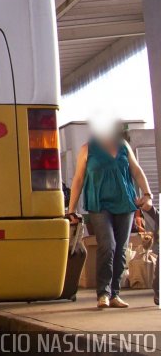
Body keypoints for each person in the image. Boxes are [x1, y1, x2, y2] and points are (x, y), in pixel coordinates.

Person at [67, 116, 154, 309]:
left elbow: (137, 171)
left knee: (121, 248)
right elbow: (79, 178)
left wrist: (147, 195)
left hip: (125, 202)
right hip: (99, 204)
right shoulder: (87, 149)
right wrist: (71, 209)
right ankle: (103, 293)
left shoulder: (123, 146)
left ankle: (115, 294)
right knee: (108, 244)